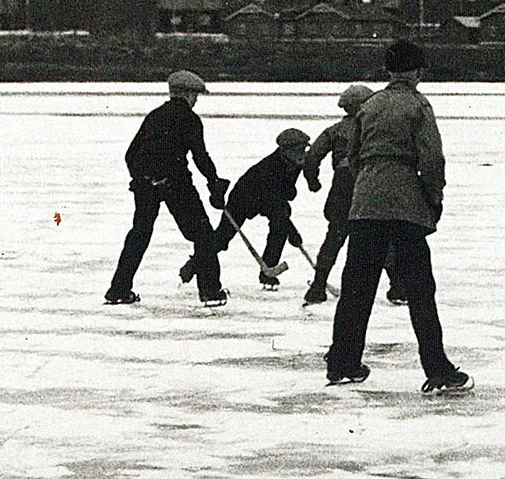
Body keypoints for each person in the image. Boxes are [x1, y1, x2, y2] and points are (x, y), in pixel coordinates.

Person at [325, 39, 472, 395]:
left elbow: (354, 157)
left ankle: (342, 362)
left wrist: (368, 186)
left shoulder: (370, 105)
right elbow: (432, 159)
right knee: (420, 290)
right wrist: (432, 197)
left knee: (356, 289)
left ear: (389, 71)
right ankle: (437, 369)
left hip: (364, 205)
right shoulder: (418, 105)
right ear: (418, 72)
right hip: (406, 205)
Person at [106, 71, 231, 307]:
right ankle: (211, 292)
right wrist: (213, 182)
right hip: (176, 182)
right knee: (202, 234)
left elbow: (130, 155)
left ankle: (119, 289)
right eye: (195, 95)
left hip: (145, 184)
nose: (196, 100)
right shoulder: (190, 119)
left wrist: (143, 178)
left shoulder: (154, 116)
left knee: (139, 235)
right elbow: (200, 157)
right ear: (185, 94)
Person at [206, 128, 313, 289]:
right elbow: (275, 201)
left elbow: (284, 193)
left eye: (304, 149)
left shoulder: (295, 163)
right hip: (243, 198)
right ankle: (193, 265)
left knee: (280, 228)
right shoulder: (270, 167)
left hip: (268, 199)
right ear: (285, 150)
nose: (303, 153)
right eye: (299, 149)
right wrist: (293, 232)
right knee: (222, 239)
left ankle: (267, 272)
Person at [302, 85, 377, 305]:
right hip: (366, 184)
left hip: (341, 186)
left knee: (333, 237)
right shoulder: (373, 128)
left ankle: (317, 286)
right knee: (377, 235)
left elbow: (312, 157)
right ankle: (397, 288)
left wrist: (312, 181)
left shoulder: (334, 130)